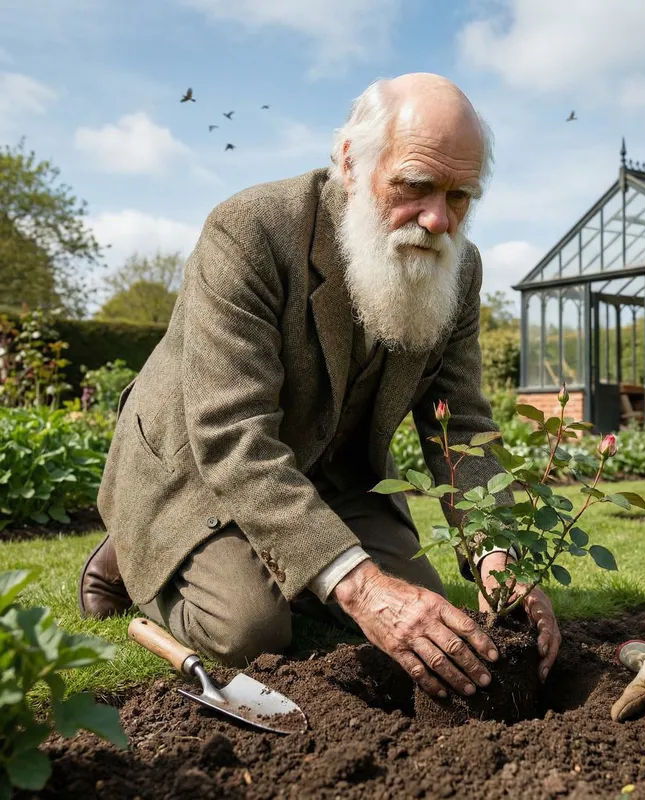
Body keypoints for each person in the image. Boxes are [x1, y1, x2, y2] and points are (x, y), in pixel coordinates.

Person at [79, 72, 561, 700]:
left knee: (432, 606)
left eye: (460, 195)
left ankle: (283, 555)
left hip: (334, 469)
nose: (438, 219)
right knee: (251, 629)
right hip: (197, 457)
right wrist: (361, 588)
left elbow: (461, 424)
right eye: (415, 186)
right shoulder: (249, 230)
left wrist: (501, 560)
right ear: (350, 162)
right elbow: (230, 432)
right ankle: (135, 548)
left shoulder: (460, 269)